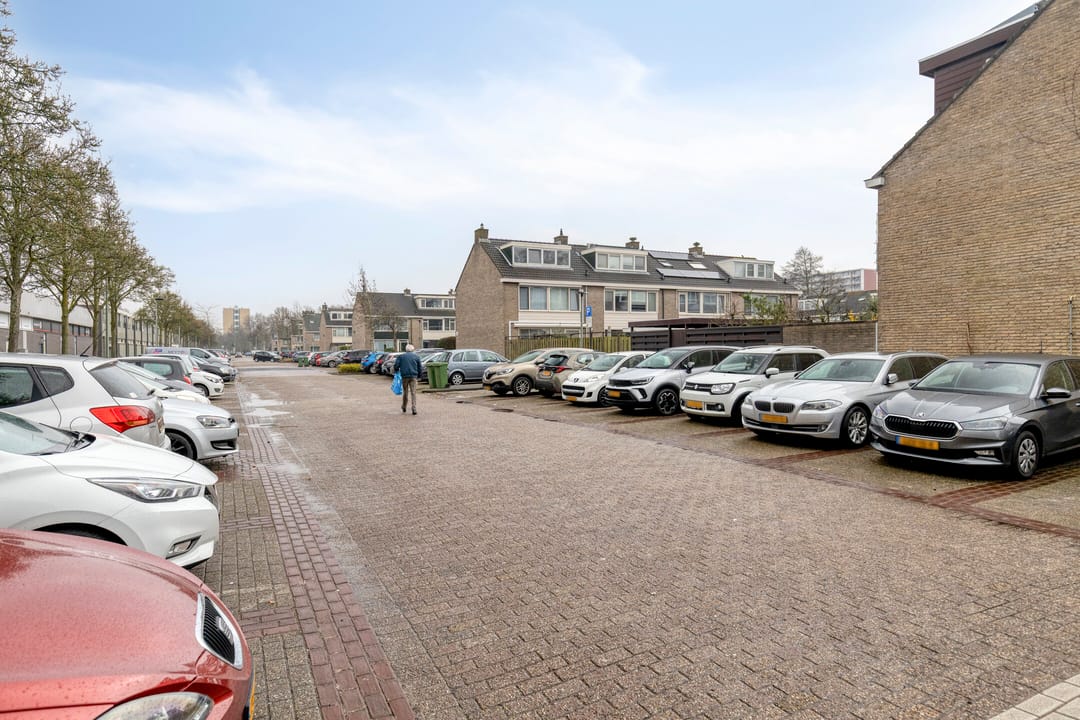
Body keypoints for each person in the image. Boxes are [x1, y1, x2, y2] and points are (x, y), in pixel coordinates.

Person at [395, 344, 422, 415]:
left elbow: (396, 366)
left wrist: (396, 370)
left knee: (405, 392)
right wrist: (419, 376)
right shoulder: (416, 357)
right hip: (413, 376)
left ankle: (404, 406)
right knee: (413, 392)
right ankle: (414, 408)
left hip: (404, 376)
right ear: (413, 350)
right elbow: (420, 367)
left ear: (406, 349)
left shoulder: (401, 356)